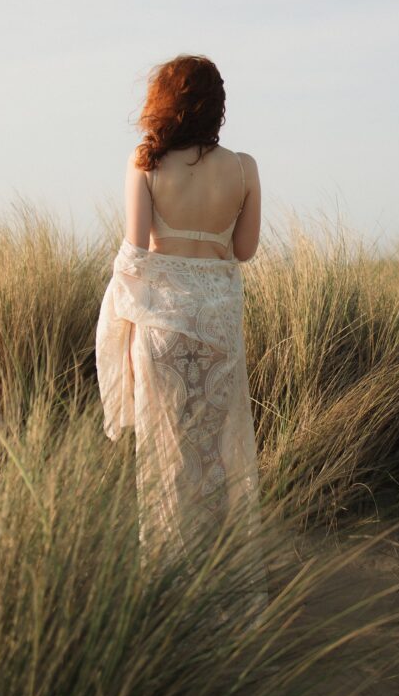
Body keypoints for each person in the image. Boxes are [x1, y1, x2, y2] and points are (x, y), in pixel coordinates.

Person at [95, 54, 269, 624]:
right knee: (217, 457)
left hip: (163, 329)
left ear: (163, 101)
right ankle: (223, 590)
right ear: (218, 106)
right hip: (219, 326)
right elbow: (243, 252)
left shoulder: (145, 163)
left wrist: (117, 324)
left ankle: (173, 597)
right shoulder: (244, 168)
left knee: (165, 463)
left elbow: (137, 250)